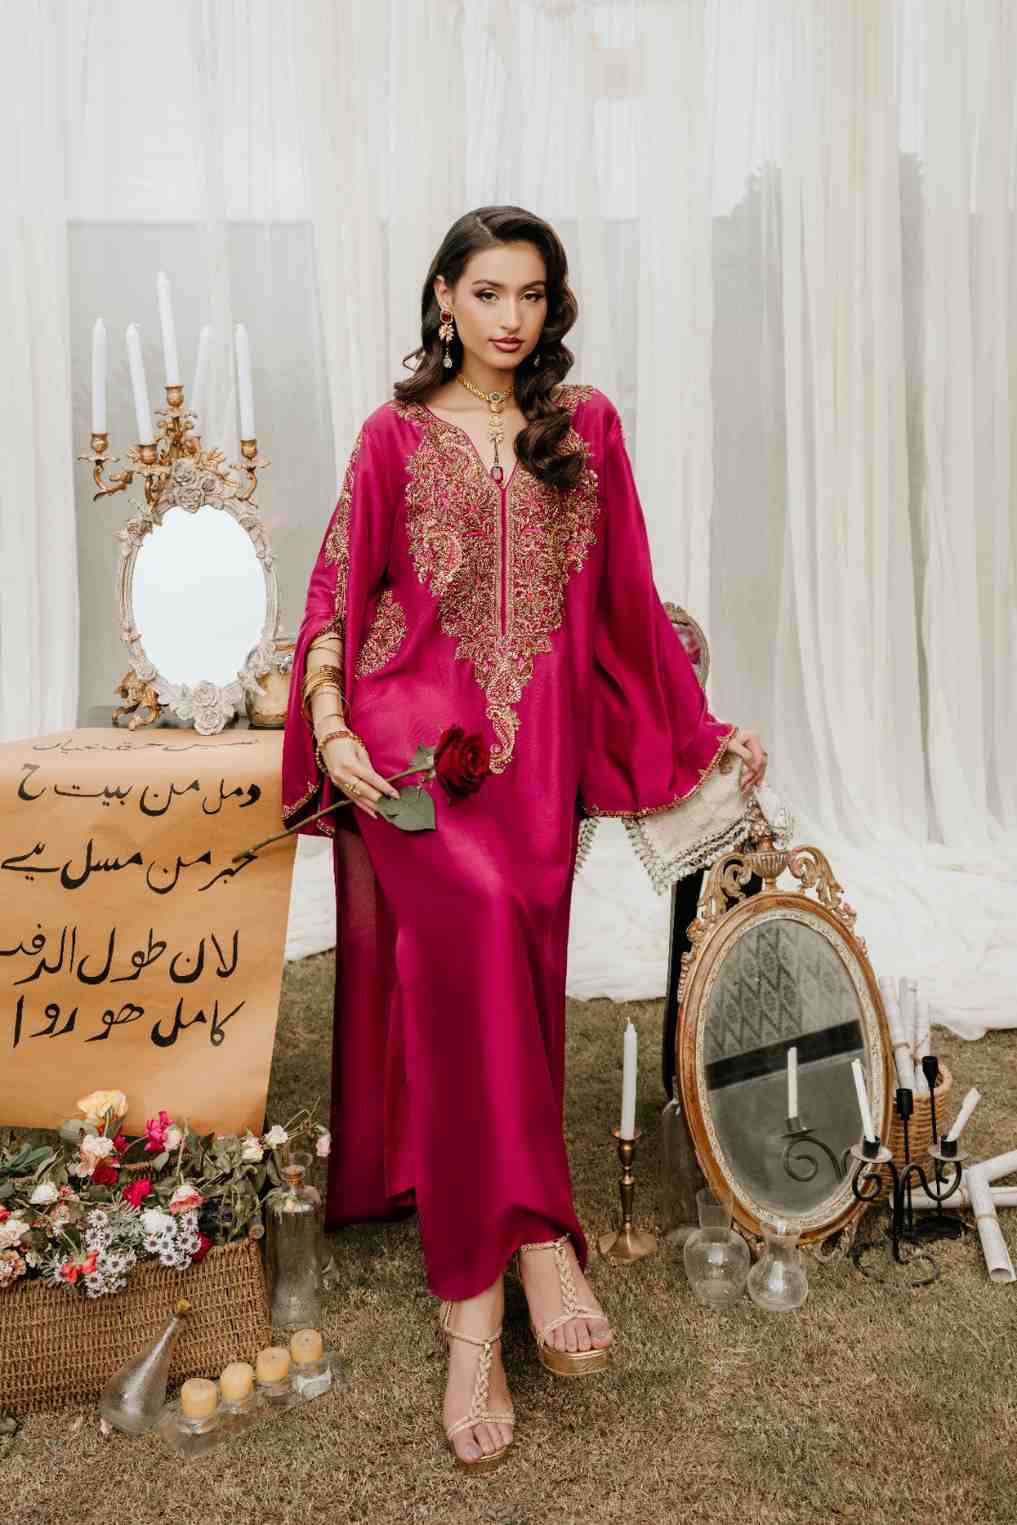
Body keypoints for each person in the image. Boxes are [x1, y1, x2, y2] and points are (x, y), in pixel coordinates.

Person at [281, 205, 768, 1473]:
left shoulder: (583, 428)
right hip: (411, 754)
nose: (511, 317)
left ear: (553, 306)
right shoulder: (392, 437)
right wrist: (332, 725)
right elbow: (338, 591)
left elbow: (626, 599)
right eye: (488, 292)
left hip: (534, 765)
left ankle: (521, 1239)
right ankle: (490, 1291)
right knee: (479, 928)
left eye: (532, 295)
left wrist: (698, 725)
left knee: (516, 964)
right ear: (444, 296)